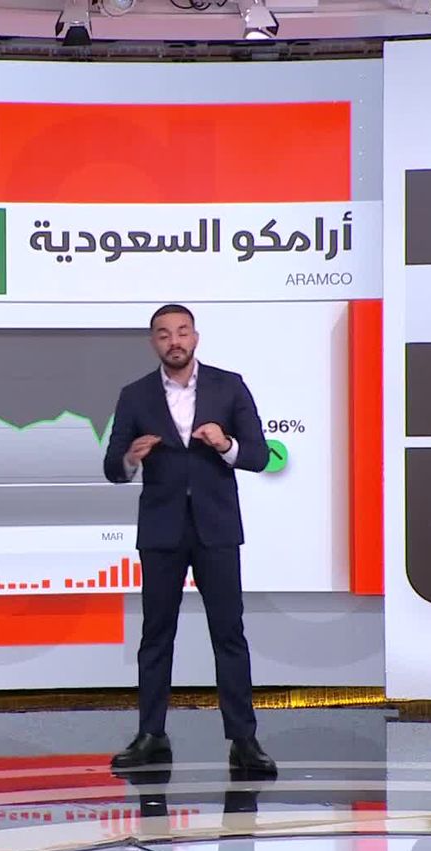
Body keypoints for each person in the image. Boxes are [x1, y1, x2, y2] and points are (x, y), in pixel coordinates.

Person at [101, 303, 276, 774]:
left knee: (229, 633)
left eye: (182, 332)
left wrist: (225, 445)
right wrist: (131, 458)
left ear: (195, 337)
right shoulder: (135, 395)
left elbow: (259, 455)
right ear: (153, 343)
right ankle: (151, 734)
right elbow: (112, 467)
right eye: (164, 334)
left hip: (216, 529)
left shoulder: (229, 385)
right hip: (161, 530)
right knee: (156, 635)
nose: (174, 341)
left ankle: (243, 739)